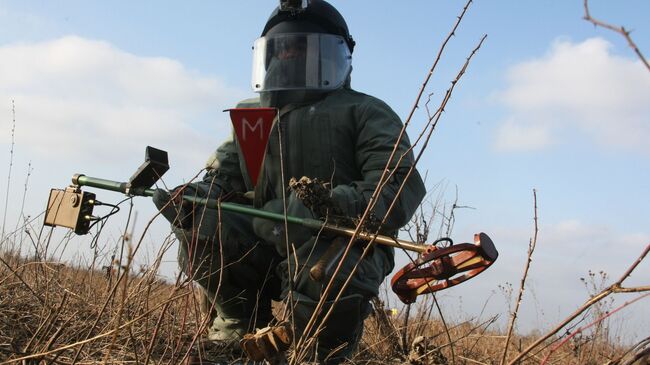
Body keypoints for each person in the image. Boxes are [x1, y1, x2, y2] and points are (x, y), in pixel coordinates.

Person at [153, 1, 426, 363]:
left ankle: (321, 352)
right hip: (263, 238)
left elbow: (397, 186)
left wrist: (334, 203)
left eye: (305, 46)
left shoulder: (365, 111)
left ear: (334, 55)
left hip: (338, 242)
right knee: (204, 222)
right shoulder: (254, 114)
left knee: (328, 270)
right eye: (284, 47)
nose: (292, 54)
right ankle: (236, 336)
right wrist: (195, 199)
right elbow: (224, 176)